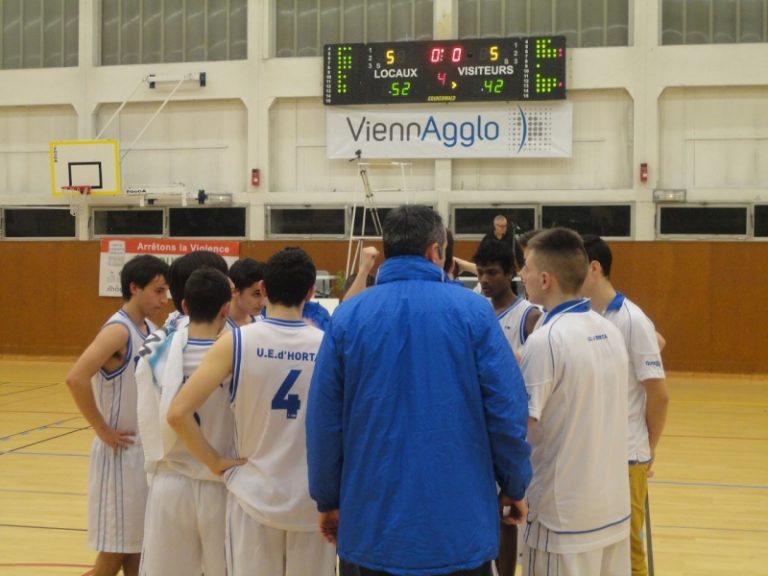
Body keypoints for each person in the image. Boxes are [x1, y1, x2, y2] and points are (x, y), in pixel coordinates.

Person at [306, 204, 532, 576]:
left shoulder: (347, 317)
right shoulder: (475, 312)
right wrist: (514, 484)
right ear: (435, 251)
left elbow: (323, 422)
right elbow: (507, 411)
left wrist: (327, 497)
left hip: (373, 525)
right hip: (459, 526)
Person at [167, 247, 336, 576]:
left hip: (253, 496)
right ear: (311, 293)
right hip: (310, 502)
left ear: (264, 289)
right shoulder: (328, 345)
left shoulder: (235, 341)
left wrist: (215, 462)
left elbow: (177, 414)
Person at [519, 228, 631, 576]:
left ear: (545, 279)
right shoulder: (609, 329)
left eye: (525, 266)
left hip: (562, 522)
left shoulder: (546, 340)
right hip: (612, 511)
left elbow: (522, 427)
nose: (520, 274)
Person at [65, 255, 170, 576]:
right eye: (158, 291)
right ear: (134, 288)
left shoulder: (152, 330)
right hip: (119, 454)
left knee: (138, 551)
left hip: (142, 452)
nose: (164, 299)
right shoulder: (118, 331)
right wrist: (102, 429)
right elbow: (76, 378)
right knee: (114, 553)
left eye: (166, 291)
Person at [136, 267, 234, 576]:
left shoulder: (153, 352)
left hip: (170, 482)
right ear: (226, 308)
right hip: (222, 483)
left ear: (184, 306)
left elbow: (148, 415)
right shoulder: (239, 354)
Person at [581, 235, 669, 576]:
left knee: (630, 548)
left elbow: (659, 394)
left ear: (594, 268)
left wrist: (649, 447)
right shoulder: (583, 316)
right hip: (596, 452)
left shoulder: (631, 319)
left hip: (628, 455)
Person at [472, 239, 541, 576]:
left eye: (492, 273)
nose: (485, 280)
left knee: (507, 516)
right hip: (478, 428)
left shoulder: (530, 316)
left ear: (511, 273)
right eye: (480, 273)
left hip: (512, 426)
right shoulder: (475, 313)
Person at [228, 257, 265, 327]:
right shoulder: (217, 327)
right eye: (257, 294)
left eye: (265, 294)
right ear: (235, 291)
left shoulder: (262, 323)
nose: (263, 302)